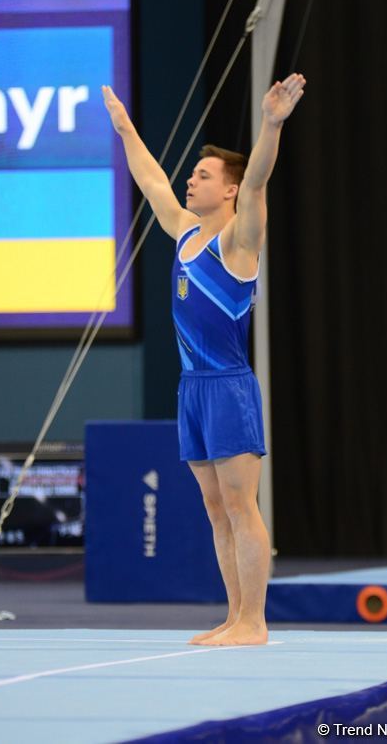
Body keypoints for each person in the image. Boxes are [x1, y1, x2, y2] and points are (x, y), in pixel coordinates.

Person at [102, 74, 306, 646]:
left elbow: (261, 179)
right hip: (192, 387)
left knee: (242, 505)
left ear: (231, 191)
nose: (190, 180)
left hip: (228, 387)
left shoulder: (239, 243)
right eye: (193, 173)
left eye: (204, 175)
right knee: (217, 510)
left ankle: (256, 622)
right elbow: (152, 182)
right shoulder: (185, 234)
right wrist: (124, 128)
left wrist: (270, 123)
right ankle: (235, 614)